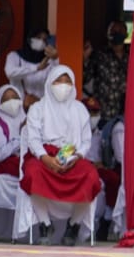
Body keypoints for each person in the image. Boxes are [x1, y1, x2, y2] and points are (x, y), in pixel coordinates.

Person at [22, 66, 100, 245]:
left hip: (72, 156)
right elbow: (33, 139)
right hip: (44, 156)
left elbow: (86, 141)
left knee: (91, 176)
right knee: (33, 173)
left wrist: (77, 156)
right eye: (58, 81)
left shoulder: (80, 109)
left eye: (67, 81)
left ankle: (73, 225)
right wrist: (45, 158)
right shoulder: (37, 108)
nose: (63, 86)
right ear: (50, 83)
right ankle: (45, 224)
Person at [84, 19, 130, 119]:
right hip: (103, 114)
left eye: (120, 30)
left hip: (126, 114)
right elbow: (84, 78)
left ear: (126, 34)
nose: (117, 33)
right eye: (113, 31)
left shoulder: (132, 56)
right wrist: (84, 58)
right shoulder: (99, 55)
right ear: (107, 34)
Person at [5, 28, 58, 99]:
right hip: (20, 102)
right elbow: (10, 72)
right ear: (29, 39)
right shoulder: (15, 56)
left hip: (42, 103)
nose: (41, 42)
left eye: (44, 39)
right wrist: (36, 68)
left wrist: (56, 58)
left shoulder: (48, 59)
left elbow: (57, 77)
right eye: (38, 38)